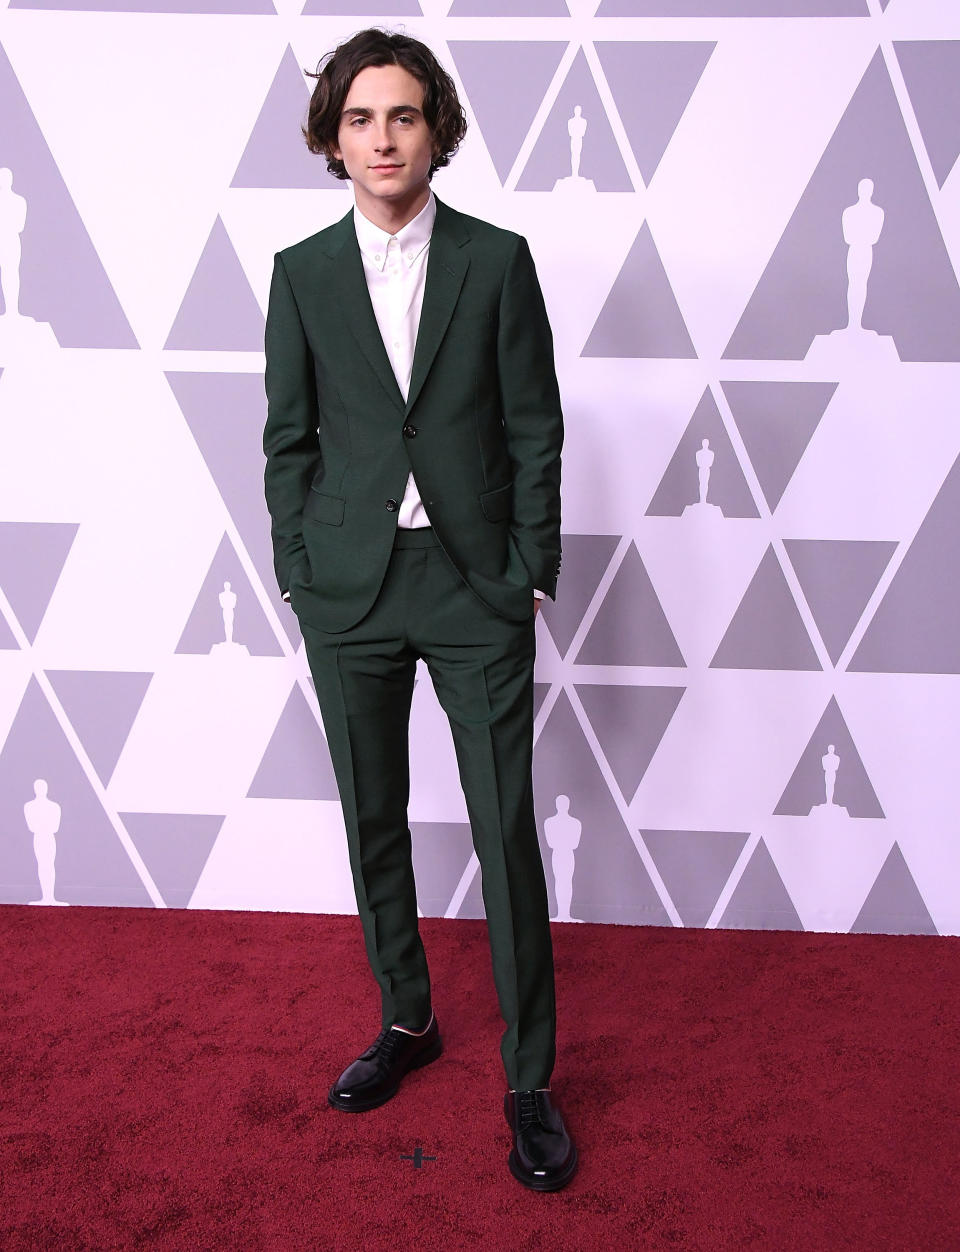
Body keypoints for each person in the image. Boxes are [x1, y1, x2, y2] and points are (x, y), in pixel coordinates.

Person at [262, 28, 575, 1191]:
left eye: (402, 115)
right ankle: (408, 1020)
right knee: (374, 818)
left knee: (503, 833)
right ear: (332, 138)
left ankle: (530, 1079)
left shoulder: (497, 259)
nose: (382, 137)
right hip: (349, 588)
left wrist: (527, 564)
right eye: (359, 118)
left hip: (472, 580)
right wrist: (300, 566)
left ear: (436, 127)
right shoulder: (300, 273)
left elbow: (536, 423)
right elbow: (286, 438)